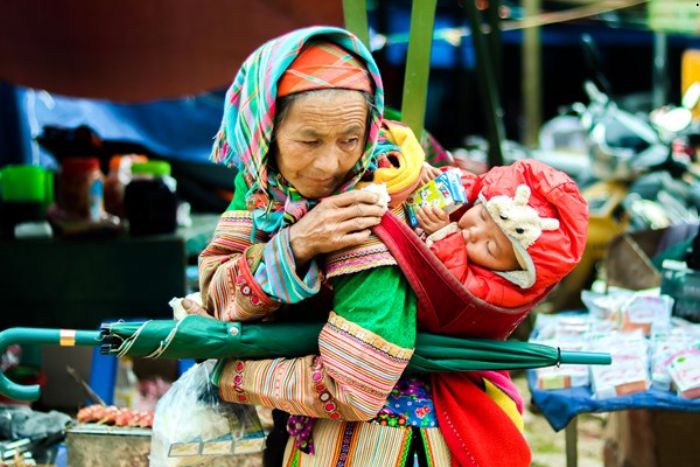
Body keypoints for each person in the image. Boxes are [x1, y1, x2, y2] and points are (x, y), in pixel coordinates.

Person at [188, 26, 587, 467]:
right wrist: (297, 244)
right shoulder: (264, 186)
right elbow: (215, 291)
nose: (331, 164)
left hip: (386, 444)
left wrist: (229, 374)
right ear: (265, 131)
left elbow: (352, 386)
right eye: (308, 140)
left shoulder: (376, 210)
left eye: (350, 139)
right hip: (313, 431)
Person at [414, 159, 588, 308]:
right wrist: (437, 184)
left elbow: (457, 289)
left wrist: (443, 236)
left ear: (512, 273)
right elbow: (473, 186)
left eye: (490, 247)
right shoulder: (485, 200)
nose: (474, 232)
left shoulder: (500, 291)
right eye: (482, 216)